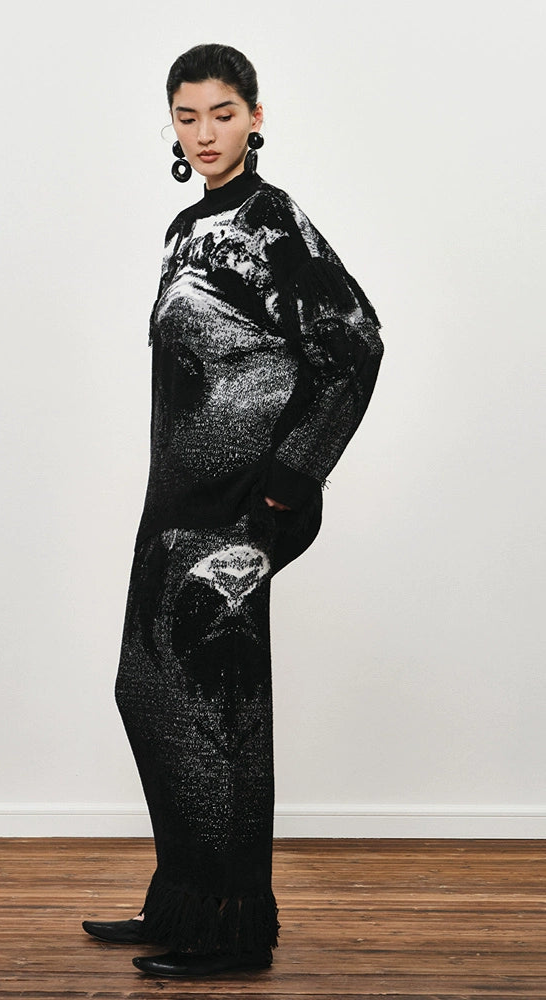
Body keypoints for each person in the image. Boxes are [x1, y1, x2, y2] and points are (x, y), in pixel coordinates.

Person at [82, 42, 384, 979]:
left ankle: (234, 930)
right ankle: (183, 900)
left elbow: (356, 344)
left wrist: (290, 481)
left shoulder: (272, 223)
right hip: (176, 505)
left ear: (256, 117)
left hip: (241, 512)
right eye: (187, 116)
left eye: (222, 113)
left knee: (218, 712)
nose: (204, 133)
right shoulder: (188, 227)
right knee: (148, 693)